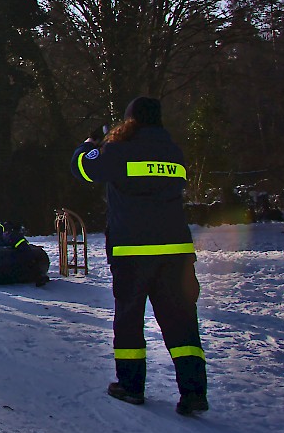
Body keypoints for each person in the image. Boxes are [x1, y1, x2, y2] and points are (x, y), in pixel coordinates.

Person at [72, 96, 209, 416]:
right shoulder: (174, 152)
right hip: (176, 251)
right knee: (183, 323)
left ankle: (131, 386)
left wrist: (90, 143)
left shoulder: (117, 151)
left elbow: (83, 168)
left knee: (130, 319)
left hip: (133, 251)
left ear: (130, 120)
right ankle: (194, 393)